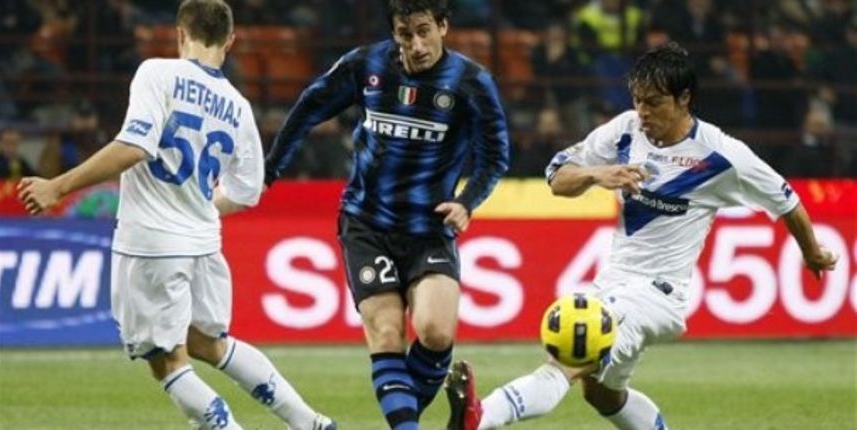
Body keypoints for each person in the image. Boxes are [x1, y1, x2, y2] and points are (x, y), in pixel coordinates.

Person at [445, 42, 838, 430]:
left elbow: (786, 199)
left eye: (653, 103)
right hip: (612, 283)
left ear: (685, 98)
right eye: (637, 101)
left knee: (568, 357)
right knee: (602, 394)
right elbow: (557, 179)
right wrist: (596, 174)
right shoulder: (624, 131)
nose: (643, 112)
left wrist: (813, 252)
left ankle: (482, 417)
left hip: (658, 295)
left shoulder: (723, 155)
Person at [17, 1, 336, 429]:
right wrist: (200, 206)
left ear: (180, 34)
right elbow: (245, 193)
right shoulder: (238, 106)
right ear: (231, 40)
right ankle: (312, 423)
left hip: (152, 243)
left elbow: (134, 147)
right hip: (204, 244)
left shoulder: (157, 73)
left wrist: (57, 186)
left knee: (165, 359)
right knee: (211, 344)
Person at [264, 0, 510, 428]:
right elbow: (309, 107)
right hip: (366, 224)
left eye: (423, 31)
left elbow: (495, 157)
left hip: (428, 227)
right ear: (393, 33)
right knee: (387, 336)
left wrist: (468, 202)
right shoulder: (367, 65)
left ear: (443, 27)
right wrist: (270, 170)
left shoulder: (471, 82)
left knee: (435, 334)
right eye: (404, 34)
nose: (415, 45)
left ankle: (455, 411)